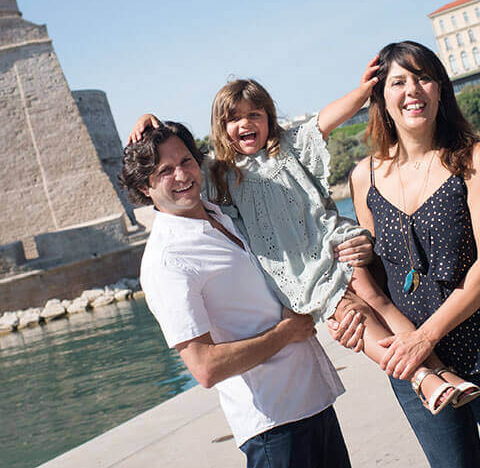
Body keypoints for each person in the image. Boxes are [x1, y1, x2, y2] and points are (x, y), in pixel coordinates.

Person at [131, 65, 480, 415]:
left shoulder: (289, 147)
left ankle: (438, 368)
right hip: (300, 273)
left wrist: (362, 93)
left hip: (332, 243)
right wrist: (154, 121)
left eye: (255, 114)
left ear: (269, 117)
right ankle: (422, 378)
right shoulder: (220, 173)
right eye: (234, 119)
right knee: (349, 317)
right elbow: (178, 161)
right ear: (221, 128)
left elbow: (326, 119)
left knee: (377, 299)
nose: (246, 123)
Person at [330, 40, 480, 468]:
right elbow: (373, 275)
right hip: (416, 367)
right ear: (380, 97)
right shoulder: (365, 176)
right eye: (398, 82)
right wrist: (352, 313)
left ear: (440, 90)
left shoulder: (474, 158)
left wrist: (425, 336)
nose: (412, 90)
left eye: (423, 78)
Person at [120, 121, 351, 467]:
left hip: (313, 402)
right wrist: (286, 332)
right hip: (274, 426)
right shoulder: (167, 261)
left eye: (186, 161)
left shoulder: (219, 213)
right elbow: (205, 367)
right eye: (165, 171)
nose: (182, 175)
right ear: (145, 186)